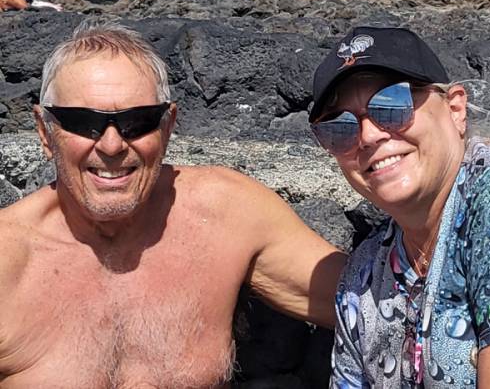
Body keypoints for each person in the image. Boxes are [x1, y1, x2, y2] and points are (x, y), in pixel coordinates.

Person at [0, 20, 347, 388]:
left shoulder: (226, 215)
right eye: (83, 123)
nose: (112, 146)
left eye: (138, 121)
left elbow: (372, 303)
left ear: (167, 127)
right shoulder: (9, 258)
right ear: (44, 132)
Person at [309, 26, 490, 388]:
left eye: (392, 104)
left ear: (455, 109)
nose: (368, 136)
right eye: (339, 128)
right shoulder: (362, 277)